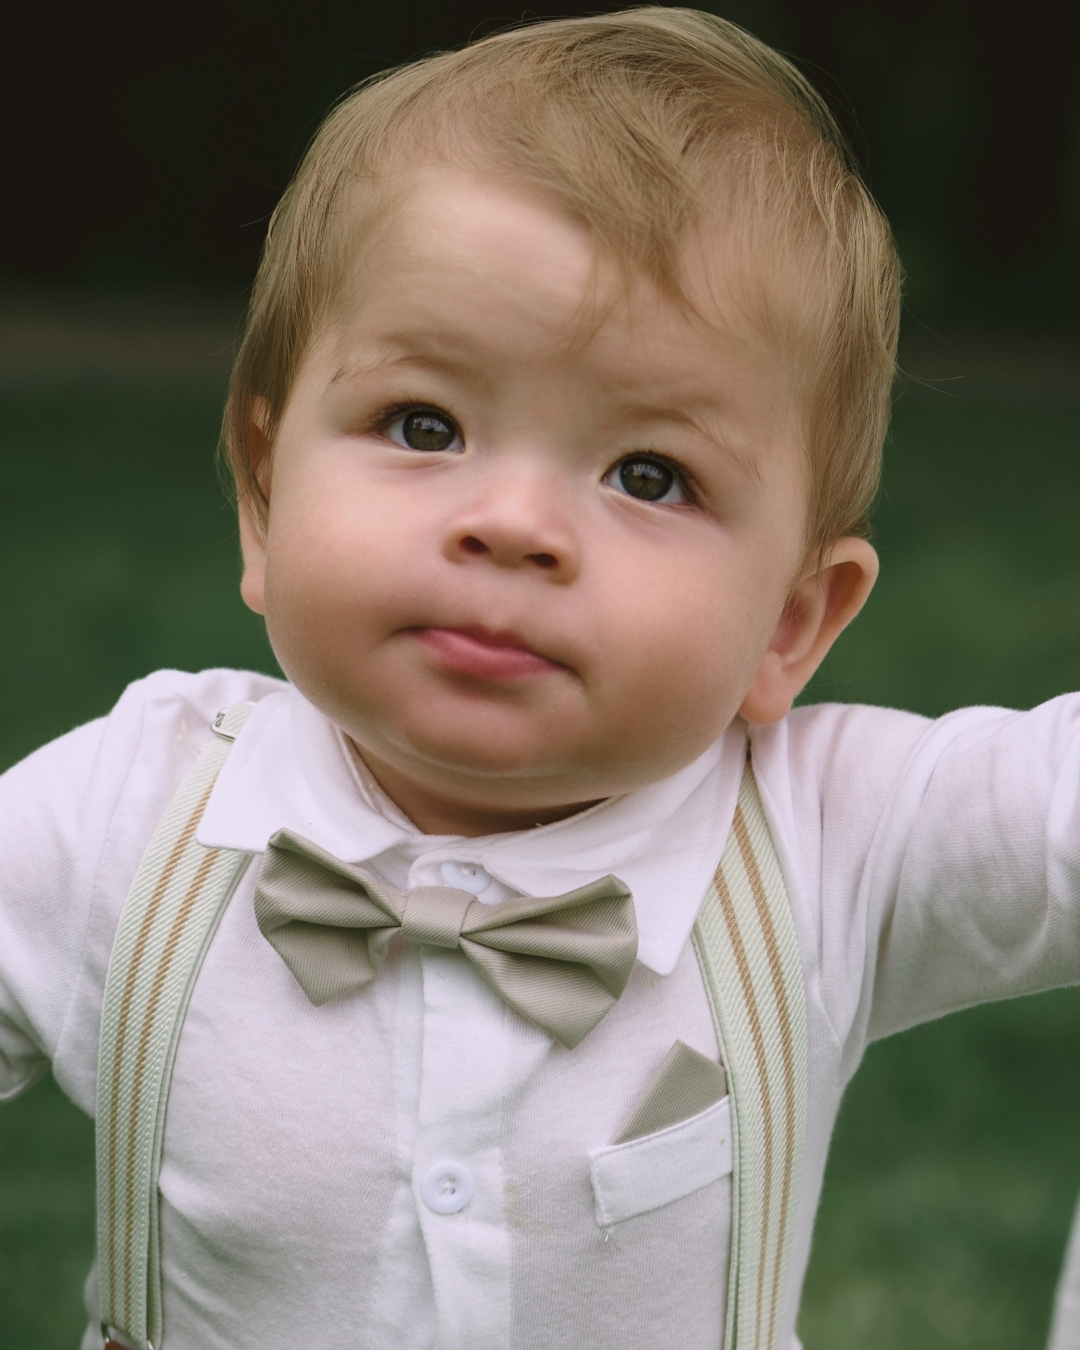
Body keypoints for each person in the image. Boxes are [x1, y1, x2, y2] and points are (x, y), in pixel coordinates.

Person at [1, 8, 1078, 1349]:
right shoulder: (128, 817)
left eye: (650, 476)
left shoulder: (832, 840)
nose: (512, 524)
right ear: (264, 499)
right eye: (425, 424)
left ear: (791, 622)